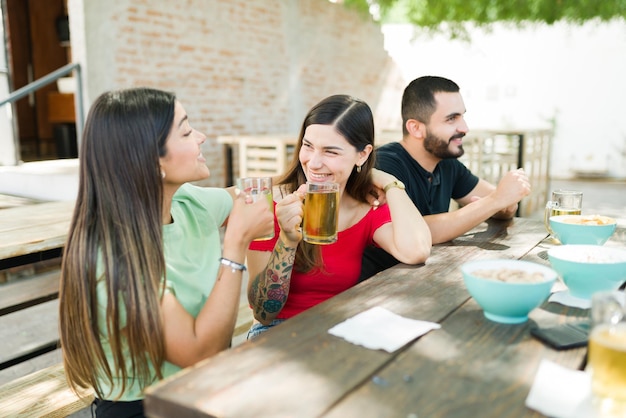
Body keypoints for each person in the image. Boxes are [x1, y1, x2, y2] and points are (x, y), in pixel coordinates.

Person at [58, 87, 274, 417]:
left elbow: (245, 196)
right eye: (186, 131)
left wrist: (336, 176)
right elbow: (199, 352)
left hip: (202, 388)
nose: (201, 137)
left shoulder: (186, 202)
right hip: (145, 407)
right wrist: (235, 247)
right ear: (151, 158)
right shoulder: (115, 258)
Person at [246, 94, 432, 338]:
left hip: (340, 329)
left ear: (362, 155)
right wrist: (288, 241)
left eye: (330, 152)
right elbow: (263, 312)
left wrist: (389, 182)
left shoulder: (365, 207)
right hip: (278, 331)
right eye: (308, 146)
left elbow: (416, 250)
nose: (313, 163)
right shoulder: (268, 205)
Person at [360, 76, 531, 281]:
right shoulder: (385, 166)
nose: (464, 128)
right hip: (376, 286)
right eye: (452, 119)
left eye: (462, 117)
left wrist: (504, 203)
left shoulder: (446, 163)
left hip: (425, 278)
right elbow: (416, 232)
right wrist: (494, 202)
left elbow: (499, 204)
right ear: (416, 128)